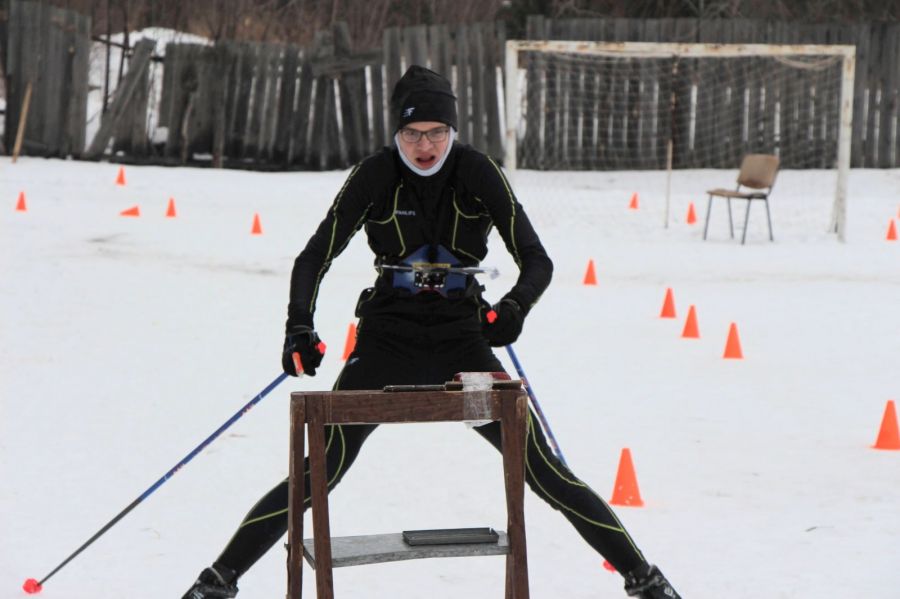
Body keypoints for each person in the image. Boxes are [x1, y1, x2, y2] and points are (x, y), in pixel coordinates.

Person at [182, 65, 682, 599]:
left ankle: (645, 581)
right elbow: (314, 257)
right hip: (386, 341)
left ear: (453, 131)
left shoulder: (478, 172)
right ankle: (218, 582)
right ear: (396, 134)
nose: (425, 146)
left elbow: (537, 260)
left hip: (461, 344)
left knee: (540, 468)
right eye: (412, 134)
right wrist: (298, 326)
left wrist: (515, 307)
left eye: (437, 133)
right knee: (319, 472)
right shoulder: (375, 175)